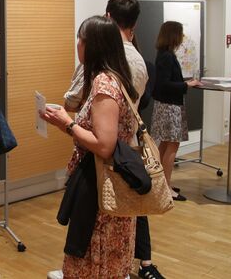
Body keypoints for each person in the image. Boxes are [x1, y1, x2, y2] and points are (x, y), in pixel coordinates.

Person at [41, 15, 139, 278]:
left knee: (96, 263)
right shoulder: (114, 77)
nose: (77, 44)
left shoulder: (103, 84)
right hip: (107, 186)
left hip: (102, 190)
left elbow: (104, 146)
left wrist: (68, 125)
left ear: (92, 45)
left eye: (80, 39)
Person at [151, 21, 202, 201]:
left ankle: (162, 184)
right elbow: (164, 84)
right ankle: (165, 188)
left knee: (165, 145)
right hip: (169, 107)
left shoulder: (163, 54)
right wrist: (186, 84)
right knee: (172, 145)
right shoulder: (167, 57)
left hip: (165, 106)